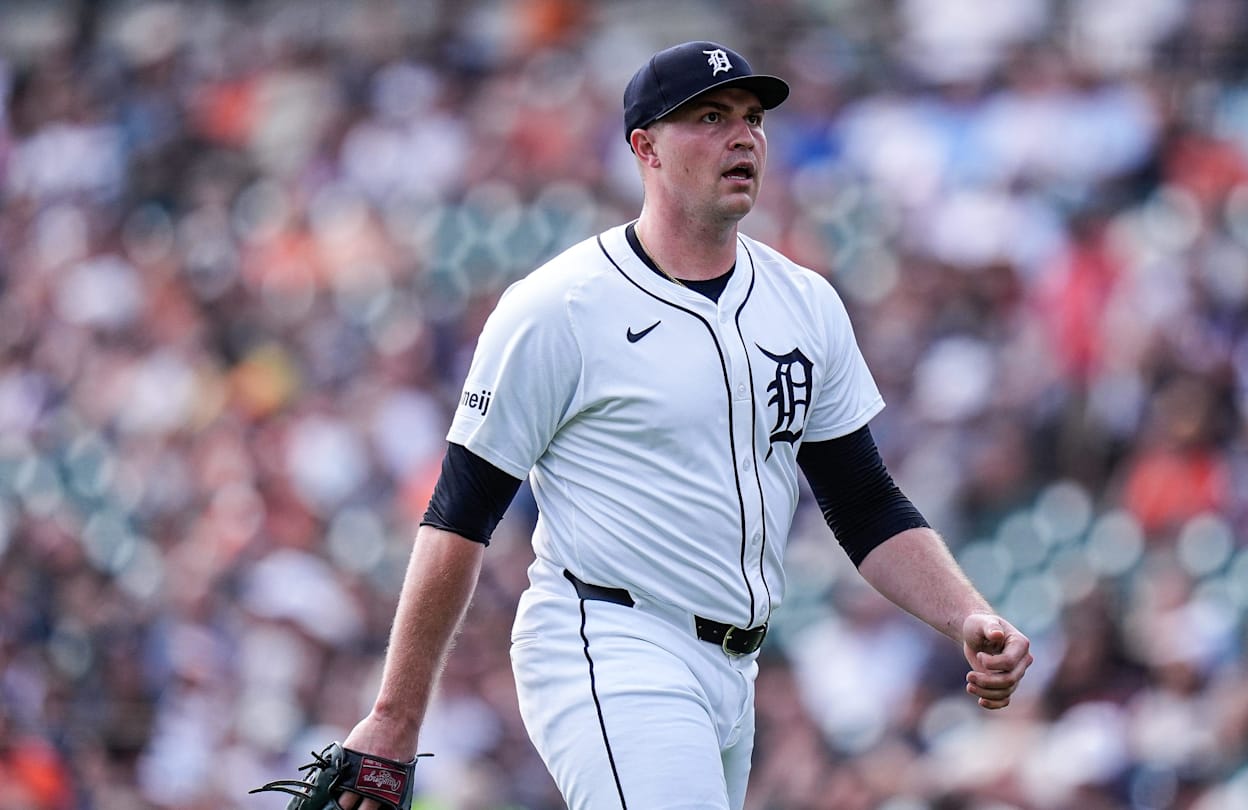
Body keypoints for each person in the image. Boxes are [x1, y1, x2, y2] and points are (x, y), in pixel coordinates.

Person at [335, 40, 1032, 810]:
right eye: (709, 117)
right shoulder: (558, 308)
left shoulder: (803, 302)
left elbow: (865, 502)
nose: (743, 137)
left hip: (736, 670)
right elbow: (458, 517)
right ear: (645, 148)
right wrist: (397, 717)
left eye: (753, 117)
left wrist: (966, 611)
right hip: (609, 643)